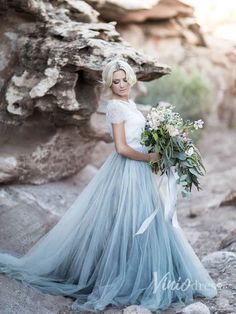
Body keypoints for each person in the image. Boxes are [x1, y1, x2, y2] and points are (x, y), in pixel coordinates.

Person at [0, 59, 217, 312]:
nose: (122, 84)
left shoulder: (129, 103)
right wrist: (151, 157)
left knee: (148, 221)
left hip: (141, 169)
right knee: (131, 223)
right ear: (109, 83)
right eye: (116, 81)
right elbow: (122, 148)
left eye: (125, 79)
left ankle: (150, 276)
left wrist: (163, 147)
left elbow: (140, 137)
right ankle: (122, 278)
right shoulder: (115, 107)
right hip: (127, 171)